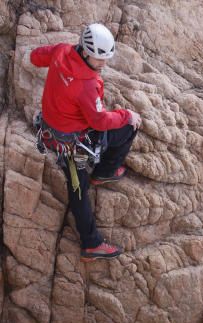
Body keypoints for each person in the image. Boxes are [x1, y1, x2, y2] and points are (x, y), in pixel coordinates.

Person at [30, 23, 142, 261]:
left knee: (78, 186)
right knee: (79, 189)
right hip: (72, 146)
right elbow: (100, 121)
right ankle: (91, 242)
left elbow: (36, 57)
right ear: (85, 51)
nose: (103, 63)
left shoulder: (62, 51)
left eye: (106, 58)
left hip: (51, 129)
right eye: (99, 58)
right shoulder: (87, 85)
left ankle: (102, 173)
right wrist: (127, 115)